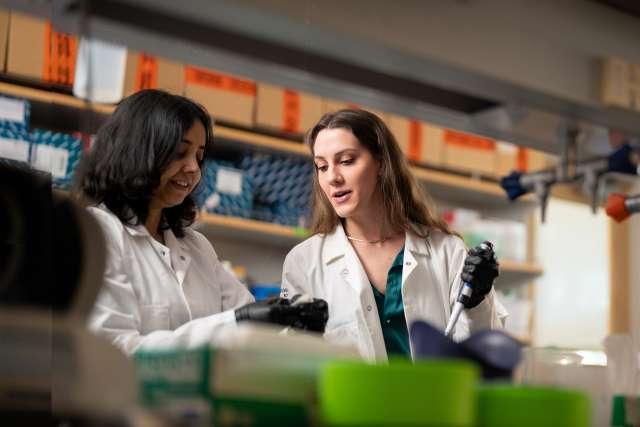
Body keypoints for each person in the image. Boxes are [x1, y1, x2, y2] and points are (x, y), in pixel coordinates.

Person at [76, 90, 327, 355]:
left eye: (199, 155)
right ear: (138, 152)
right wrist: (235, 322)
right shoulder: (98, 235)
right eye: (180, 153)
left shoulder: (197, 247)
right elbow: (113, 350)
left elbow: (247, 319)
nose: (194, 168)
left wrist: (289, 322)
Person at [280, 109, 507, 362]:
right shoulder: (304, 262)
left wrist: (477, 302)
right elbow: (293, 361)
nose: (332, 177)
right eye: (321, 166)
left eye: (346, 161)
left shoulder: (447, 252)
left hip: (434, 400)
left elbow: (485, 356)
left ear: (380, 162)